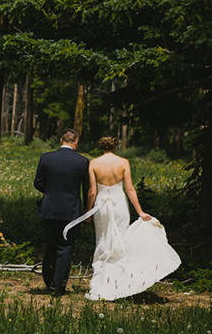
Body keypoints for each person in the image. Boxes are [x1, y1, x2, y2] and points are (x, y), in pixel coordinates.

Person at [83, 136, 181, 300]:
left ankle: (102, 280)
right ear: (115, 146)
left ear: (101, 147)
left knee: (102, 240)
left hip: (102, 205)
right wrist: (140, 212)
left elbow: (92, 191)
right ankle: (119, 281)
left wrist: (88, 211)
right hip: (119, 205)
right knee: (121, 239)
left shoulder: (94, 163)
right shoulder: (123, 162)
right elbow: (130, 189)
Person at [33, 128, 89, 295]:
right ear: (76, 142)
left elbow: (38, 183)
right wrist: (87, 211)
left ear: (61, 141)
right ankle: (58, 287)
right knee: (65, 247)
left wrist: (50, 191)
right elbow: (87, 189)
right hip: (71, 210)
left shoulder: (46, 158)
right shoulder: (82, 161)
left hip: (49, 208)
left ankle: (48, 282)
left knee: (50, 244)